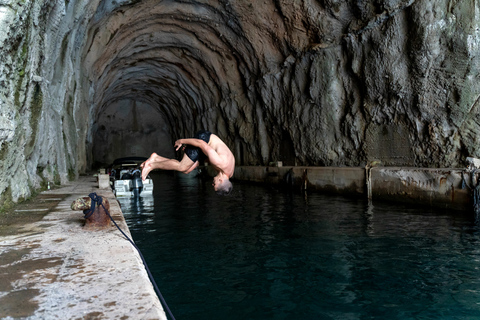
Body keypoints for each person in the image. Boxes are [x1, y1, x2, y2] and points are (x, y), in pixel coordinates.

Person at [141, 130, 234, 195]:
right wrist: (181, 141)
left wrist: (193, 157)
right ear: (221, 180)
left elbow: (211, 157)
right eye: (215, 185)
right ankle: (151, 165)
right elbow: (201, 143)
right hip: (204, 138)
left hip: (205, 150)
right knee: (182, 167)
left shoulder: (228, 173)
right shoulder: (220, 162)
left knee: (187, 170)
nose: (212, 183)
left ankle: (156, 158)